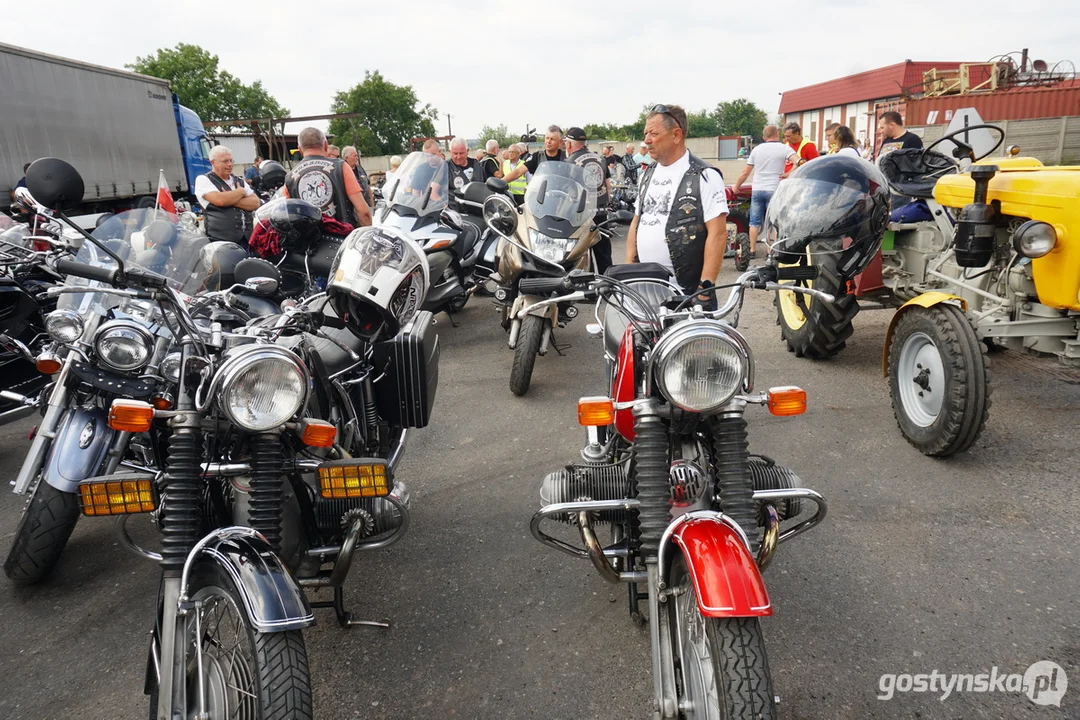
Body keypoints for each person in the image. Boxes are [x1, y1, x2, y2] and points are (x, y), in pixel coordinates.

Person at [625, 104, 728, 304]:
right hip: (645, 288)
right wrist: (629, 272)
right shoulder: (647, 174)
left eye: (653, 133)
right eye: (645, 133)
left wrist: (704, 289)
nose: (646, 140)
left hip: (687, 295)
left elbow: (718, 234)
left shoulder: (705, 175)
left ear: (676, 135)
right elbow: (636, 222)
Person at [283, 127, 371, 227]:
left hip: (308, 241)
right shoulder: (341, 166)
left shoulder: (290, 177)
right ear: (325, 145)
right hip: (342, 238)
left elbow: (287, 216)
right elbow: (363, 212)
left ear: (300, 149)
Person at [732, 125, 798, 257]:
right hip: (774, 189)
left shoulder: (757, 150)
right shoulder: (784, 148)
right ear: (777, 134)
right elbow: (799, 161)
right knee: (772, 222)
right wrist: (788, 173)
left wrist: (736, 186)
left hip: (757, 189)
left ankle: (751, 250)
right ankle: (770, 251)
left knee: (754, 222)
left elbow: (746, 172)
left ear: (764, 137)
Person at [565, 127, 612, 273]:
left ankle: (589, 288)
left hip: (581, 214)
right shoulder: (601, 159)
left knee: (583, 253)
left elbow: (567, 190)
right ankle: (609, 285)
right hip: (601, 212)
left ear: (569, 144)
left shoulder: (570, 161)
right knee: (604, 252)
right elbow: (608, 185)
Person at [194, 146, 261, 244]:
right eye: (225, 161)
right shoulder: (203, 180)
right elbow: (220, 200)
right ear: (212, 162)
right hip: (220, 242)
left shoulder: (239, 181)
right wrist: (240, 192)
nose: (230, 164)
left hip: (247, 240)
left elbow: (255, 203)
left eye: (231, 160)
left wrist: (229, 198)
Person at [446, 137, 478, 201]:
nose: (458, 157)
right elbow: (434, 191)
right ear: (450, 152)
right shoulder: (445, 167)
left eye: (461, 153)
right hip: (454, 208)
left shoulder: (478, 165)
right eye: (455, 153)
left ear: (467, 151)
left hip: (477, 205)